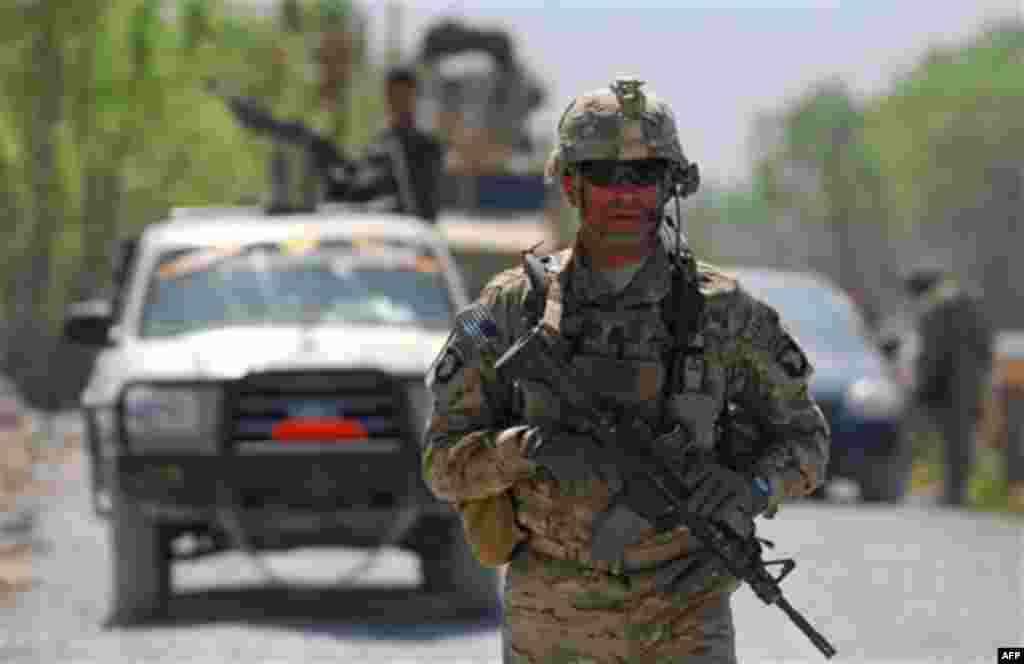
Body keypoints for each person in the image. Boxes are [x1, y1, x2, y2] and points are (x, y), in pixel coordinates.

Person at [420, 78, 831, 663]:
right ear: (570, 183)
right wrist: (527, 449)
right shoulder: (514, 307)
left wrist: (750, 487)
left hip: (686, 614)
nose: (626, 194)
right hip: (552, 619)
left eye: (644, 176)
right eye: (605, 175)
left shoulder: (726, 313)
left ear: (671, 185)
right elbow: (442, 465)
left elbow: (807, 441)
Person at [904, 262, 994, 507]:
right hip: (971, 384)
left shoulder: (935, 311)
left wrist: (923, 388)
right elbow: (985, 346)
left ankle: (952, 493)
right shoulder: (968, 305)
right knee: (961, 440)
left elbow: (933, 356)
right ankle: (958, 491)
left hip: (947, 387)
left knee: (951, 441)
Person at [331, 66, 445, 223]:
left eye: (405, 96)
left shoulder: (428, 147)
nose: (399, 104)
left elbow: (426, 201)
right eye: (394, 96)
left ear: (415, 98)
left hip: (415, 235)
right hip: (384, 235)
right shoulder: (377, 146)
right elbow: (358, 191)